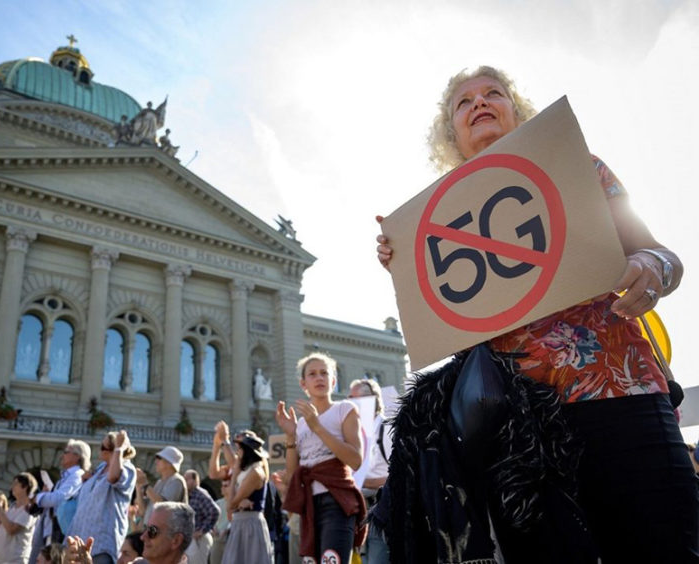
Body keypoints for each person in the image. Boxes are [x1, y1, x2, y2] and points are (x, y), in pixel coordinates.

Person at [374, 65, 697, 563]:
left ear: (515, 109)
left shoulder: (580, 168)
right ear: (451, 133)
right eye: (464, 102)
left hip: (619, 391)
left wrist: (652, 268)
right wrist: (406, 259)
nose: (480, 103)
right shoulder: (434, 224)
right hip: (517, 431)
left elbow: (663, 256)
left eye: (493, 93)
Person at [275, 352, 367, 563]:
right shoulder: (301, 424)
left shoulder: (344, 409)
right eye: (313, 374)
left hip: (337, 500)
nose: (319, 378)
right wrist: (290, 436)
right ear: (303, 384)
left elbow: (355, 460)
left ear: (333, 381)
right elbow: (293, 474)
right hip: (309, 505)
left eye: (324, 373)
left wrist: (317, 427)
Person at [66, 430, 137, 564]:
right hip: (82, 539)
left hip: (102, 544)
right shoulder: (100, 469)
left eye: (104, 447)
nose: (101, 450)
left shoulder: (127, 468)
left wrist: (119, 448)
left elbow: (113, 477)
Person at [348, 378, 391, 564]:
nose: (352, 403)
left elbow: (400, 475)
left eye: (357, 398)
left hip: (380, 508)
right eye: (350, 398)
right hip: (357, 511)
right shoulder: (354, 433)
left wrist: (361, 481)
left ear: (373, 400)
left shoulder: (387, 428)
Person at [29, 439, 91, 562]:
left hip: (61, 529)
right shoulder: (67, 476)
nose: (62, 455)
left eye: (66, 452)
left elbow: (60, 497)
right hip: (53, 528)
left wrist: (38, 498)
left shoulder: (77, 475)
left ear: (77, 456)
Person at [220, 430, 274, 564]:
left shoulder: (255, 472)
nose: (237, 452)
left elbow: (230, 504)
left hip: (249, 524)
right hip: (241, 522)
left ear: (247, 451)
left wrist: (234, 476)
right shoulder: (247, 471)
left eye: (239, 449)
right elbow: (232, 504)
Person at [0, 473, 39, 564]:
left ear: (25, 487)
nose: (12, 487)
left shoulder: (29, 509)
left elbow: (12, 529)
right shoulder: (12, 507)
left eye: (16, 484)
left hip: (14, 560)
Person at [136, 446, 187, 524]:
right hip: (153, 529)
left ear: (169, 463)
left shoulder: (177, 481)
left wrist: (145, 483)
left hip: (167, 530)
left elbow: (162, 506)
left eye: (159, 458)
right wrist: (138, 485)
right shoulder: (159, 482)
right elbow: (142, 510)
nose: (156, 461)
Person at [182, 470, 219, 564]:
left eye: (187, 479)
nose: (184, 481)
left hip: (199, 539)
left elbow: (215, 511)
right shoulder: (188, 496)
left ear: (195, 480)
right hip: (191, 538)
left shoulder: (200, 494)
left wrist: (202, 530)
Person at [208, 479, 231, 564]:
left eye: (226, 486)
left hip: (230, 539)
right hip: (217, 540)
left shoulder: (236, 503)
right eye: (222, 486)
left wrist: (227, 530)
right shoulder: (217, 504)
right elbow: (210, 520)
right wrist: (213, 529)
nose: (223, 488)